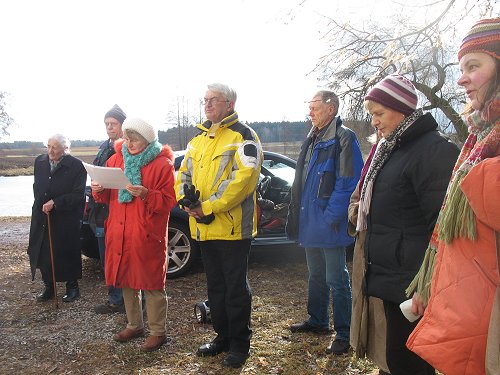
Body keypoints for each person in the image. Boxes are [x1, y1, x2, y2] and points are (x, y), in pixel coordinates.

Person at [407, 18, 500, 375]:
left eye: (474, 66)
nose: (461, 78)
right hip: (470, 313)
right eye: (460, 68)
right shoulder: (480, 135)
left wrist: (479, 177)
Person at [359, 74, 459, 375]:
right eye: (371, 115)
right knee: (396, 360)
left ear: (401, 108)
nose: (374, 122)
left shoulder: (432, 151)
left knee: (409, 363)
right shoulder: (390, 149)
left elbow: (442, 226)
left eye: (379, 113)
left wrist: (427, 286)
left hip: (413, 281)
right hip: (393, 275)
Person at [175, 83, 263, 368]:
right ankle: (222, 337)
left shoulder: (244, 136)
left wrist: (208, 206)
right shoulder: (198, 139)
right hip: (203, 227)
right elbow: (183, 173)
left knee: (235, 288)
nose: (208, 104)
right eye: (205, 100)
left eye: (214, 100)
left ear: (230, 104)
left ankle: (240, 343)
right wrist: (185, 201)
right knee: (216, 287)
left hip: (233, 228)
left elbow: (243, 181)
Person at [286, 90, 364, 355]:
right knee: (316, 275)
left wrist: (331, 217)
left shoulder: (344, 138)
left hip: (328, 223)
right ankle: (318, 321)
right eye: (309, 107)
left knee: (336, 278)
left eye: (315, 107)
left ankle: (344, 333)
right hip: (310, 222)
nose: (310, 112)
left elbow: (349, 182)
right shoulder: (312, 138)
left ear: (331, 109)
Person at [91, 117, 176, 352]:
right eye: (127, 138)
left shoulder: (162, 165)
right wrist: (98, 190)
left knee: (151, 283)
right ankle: (134, 325)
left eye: (134, 139)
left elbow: (168, 202)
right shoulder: (115, 159)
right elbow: (106, 197)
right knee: (126, 279)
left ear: (147, 140)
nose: (129, 142)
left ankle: (158, 332)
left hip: (146, 233)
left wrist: (147, 193)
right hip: (119, 231)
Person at [348, 130, 390, 374]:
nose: (374, 121)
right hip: (370, 246)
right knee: (377, 321)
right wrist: (356, 211)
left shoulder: (426, 149)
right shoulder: (377, 152)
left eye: (379, 113)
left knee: (392, 330)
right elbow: (358, 194)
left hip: (392, 253)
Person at [28, 134, 87, 303]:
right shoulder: (40, 162)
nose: (50, 151)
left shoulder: (77, 166)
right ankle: (49, 286)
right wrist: (41, 203)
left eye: (54, 147)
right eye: (48, 146)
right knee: (43, 250)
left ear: (65, 149)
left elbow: (78, 195)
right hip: (42, 214)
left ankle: (72, 287)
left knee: (67, 250)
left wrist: (56, 202)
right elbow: (36, 186)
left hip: (66, 216)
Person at [89, 104, 127, 314]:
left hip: (119, 209)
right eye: (107, 124)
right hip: (100, 209)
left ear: (123, 125)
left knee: (121, 257)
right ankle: (115, 298)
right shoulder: (103, 147)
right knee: (107, 259)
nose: (109, 127)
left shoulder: (129, 149)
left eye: (113, 124)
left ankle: (124, 299)